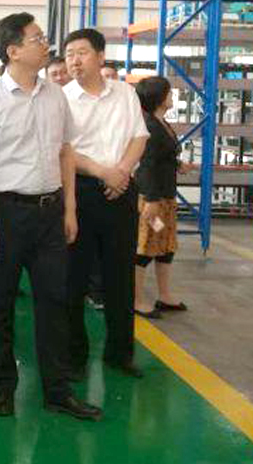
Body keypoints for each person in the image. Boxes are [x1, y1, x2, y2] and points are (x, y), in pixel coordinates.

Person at [0, 12, 100, 421]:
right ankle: (3, 387)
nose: (46, 45)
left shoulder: (55, 95)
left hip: (50, 212)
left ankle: (57, 390)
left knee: (55, 303)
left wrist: (69, 209)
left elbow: (66, 152)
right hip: (5, 214)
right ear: (13, 51)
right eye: (38, 39)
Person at [63, 28, 149, 380]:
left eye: (82, 52)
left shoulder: (125, 93)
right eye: (69, 54)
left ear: (100, 56)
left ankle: (119, 354)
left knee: (120, 277)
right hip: (80, 191)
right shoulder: (62, 99)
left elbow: (139, 137)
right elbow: (64, 152)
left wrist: (122, 172)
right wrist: (104, 173)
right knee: (74, 279)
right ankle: (74, 356)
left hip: (121, 191)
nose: (74, 60)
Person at [134, 76, 187, 317]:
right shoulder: (149, 127)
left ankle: (164, 295)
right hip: (152, 200)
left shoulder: (161, 122)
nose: (172, 95)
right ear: (158, 97)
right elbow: (146, 165)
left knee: (166, 246)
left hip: (165, 198)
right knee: (145, 247)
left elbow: (163, 156)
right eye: (169, 92)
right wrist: (151, 200)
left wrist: (177, 164)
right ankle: (136, 300)